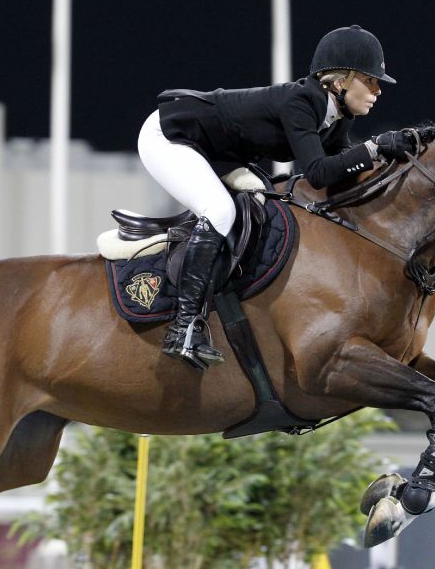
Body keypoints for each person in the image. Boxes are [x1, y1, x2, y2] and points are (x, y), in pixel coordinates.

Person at [137, 25, 418, 370]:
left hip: (216, 152)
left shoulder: (336, 115)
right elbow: (317, 172)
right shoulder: (302, 101)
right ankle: (184, 327)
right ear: (341, 79)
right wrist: (374, 147)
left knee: (261, 203)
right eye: (370, 80)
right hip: (170, 136)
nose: (377, 90)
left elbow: (343, 169)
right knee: (221, 211)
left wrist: (387, 157)